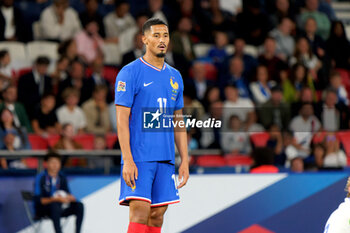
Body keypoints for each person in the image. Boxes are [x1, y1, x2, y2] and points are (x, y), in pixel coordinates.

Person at [115, 18, 189, 233]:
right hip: (139, 156)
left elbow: (178, 121)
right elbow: (121, 119)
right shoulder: (130, 73)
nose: (162, 40)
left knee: (157, 216)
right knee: (140, 211)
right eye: (156, 35)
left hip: (165, 158)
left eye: (165, 35)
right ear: (144, 40)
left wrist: (184, 159)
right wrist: (127, 159)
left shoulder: (175, 76)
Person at [34, 151, 84, 233]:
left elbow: (67, 194)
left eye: (57, 162)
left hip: (60, 207)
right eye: (52, 162)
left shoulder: (62, 177)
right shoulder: (40, 177)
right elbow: (39, 200)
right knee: (55, 205)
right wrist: (55, 199)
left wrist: (71, 198)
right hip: (44, 209)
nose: (55, 165)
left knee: (79, 206)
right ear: (46, 164)